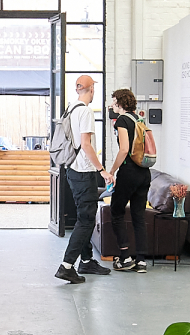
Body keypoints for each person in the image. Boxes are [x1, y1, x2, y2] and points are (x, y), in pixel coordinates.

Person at [54, 75, 113, 284]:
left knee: (84, 216)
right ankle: (67, 266)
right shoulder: (86, 111)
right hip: (84, 172)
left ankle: (86, 260)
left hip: (72, 170)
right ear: (91, 90)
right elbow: (86, 144)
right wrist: (102, 170)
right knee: (87, 219)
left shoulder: (70, 109)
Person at [105, 88, 151, 273]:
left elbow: (124, 150)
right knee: (139, 216)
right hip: (144, 173)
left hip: (128, 173)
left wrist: (111, 171)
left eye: (114, 101)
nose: (111, 104)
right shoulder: (140, 120)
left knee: (116, 211)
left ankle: (125, 257)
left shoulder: (122, 120)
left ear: (120, 103)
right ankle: (141, 261)